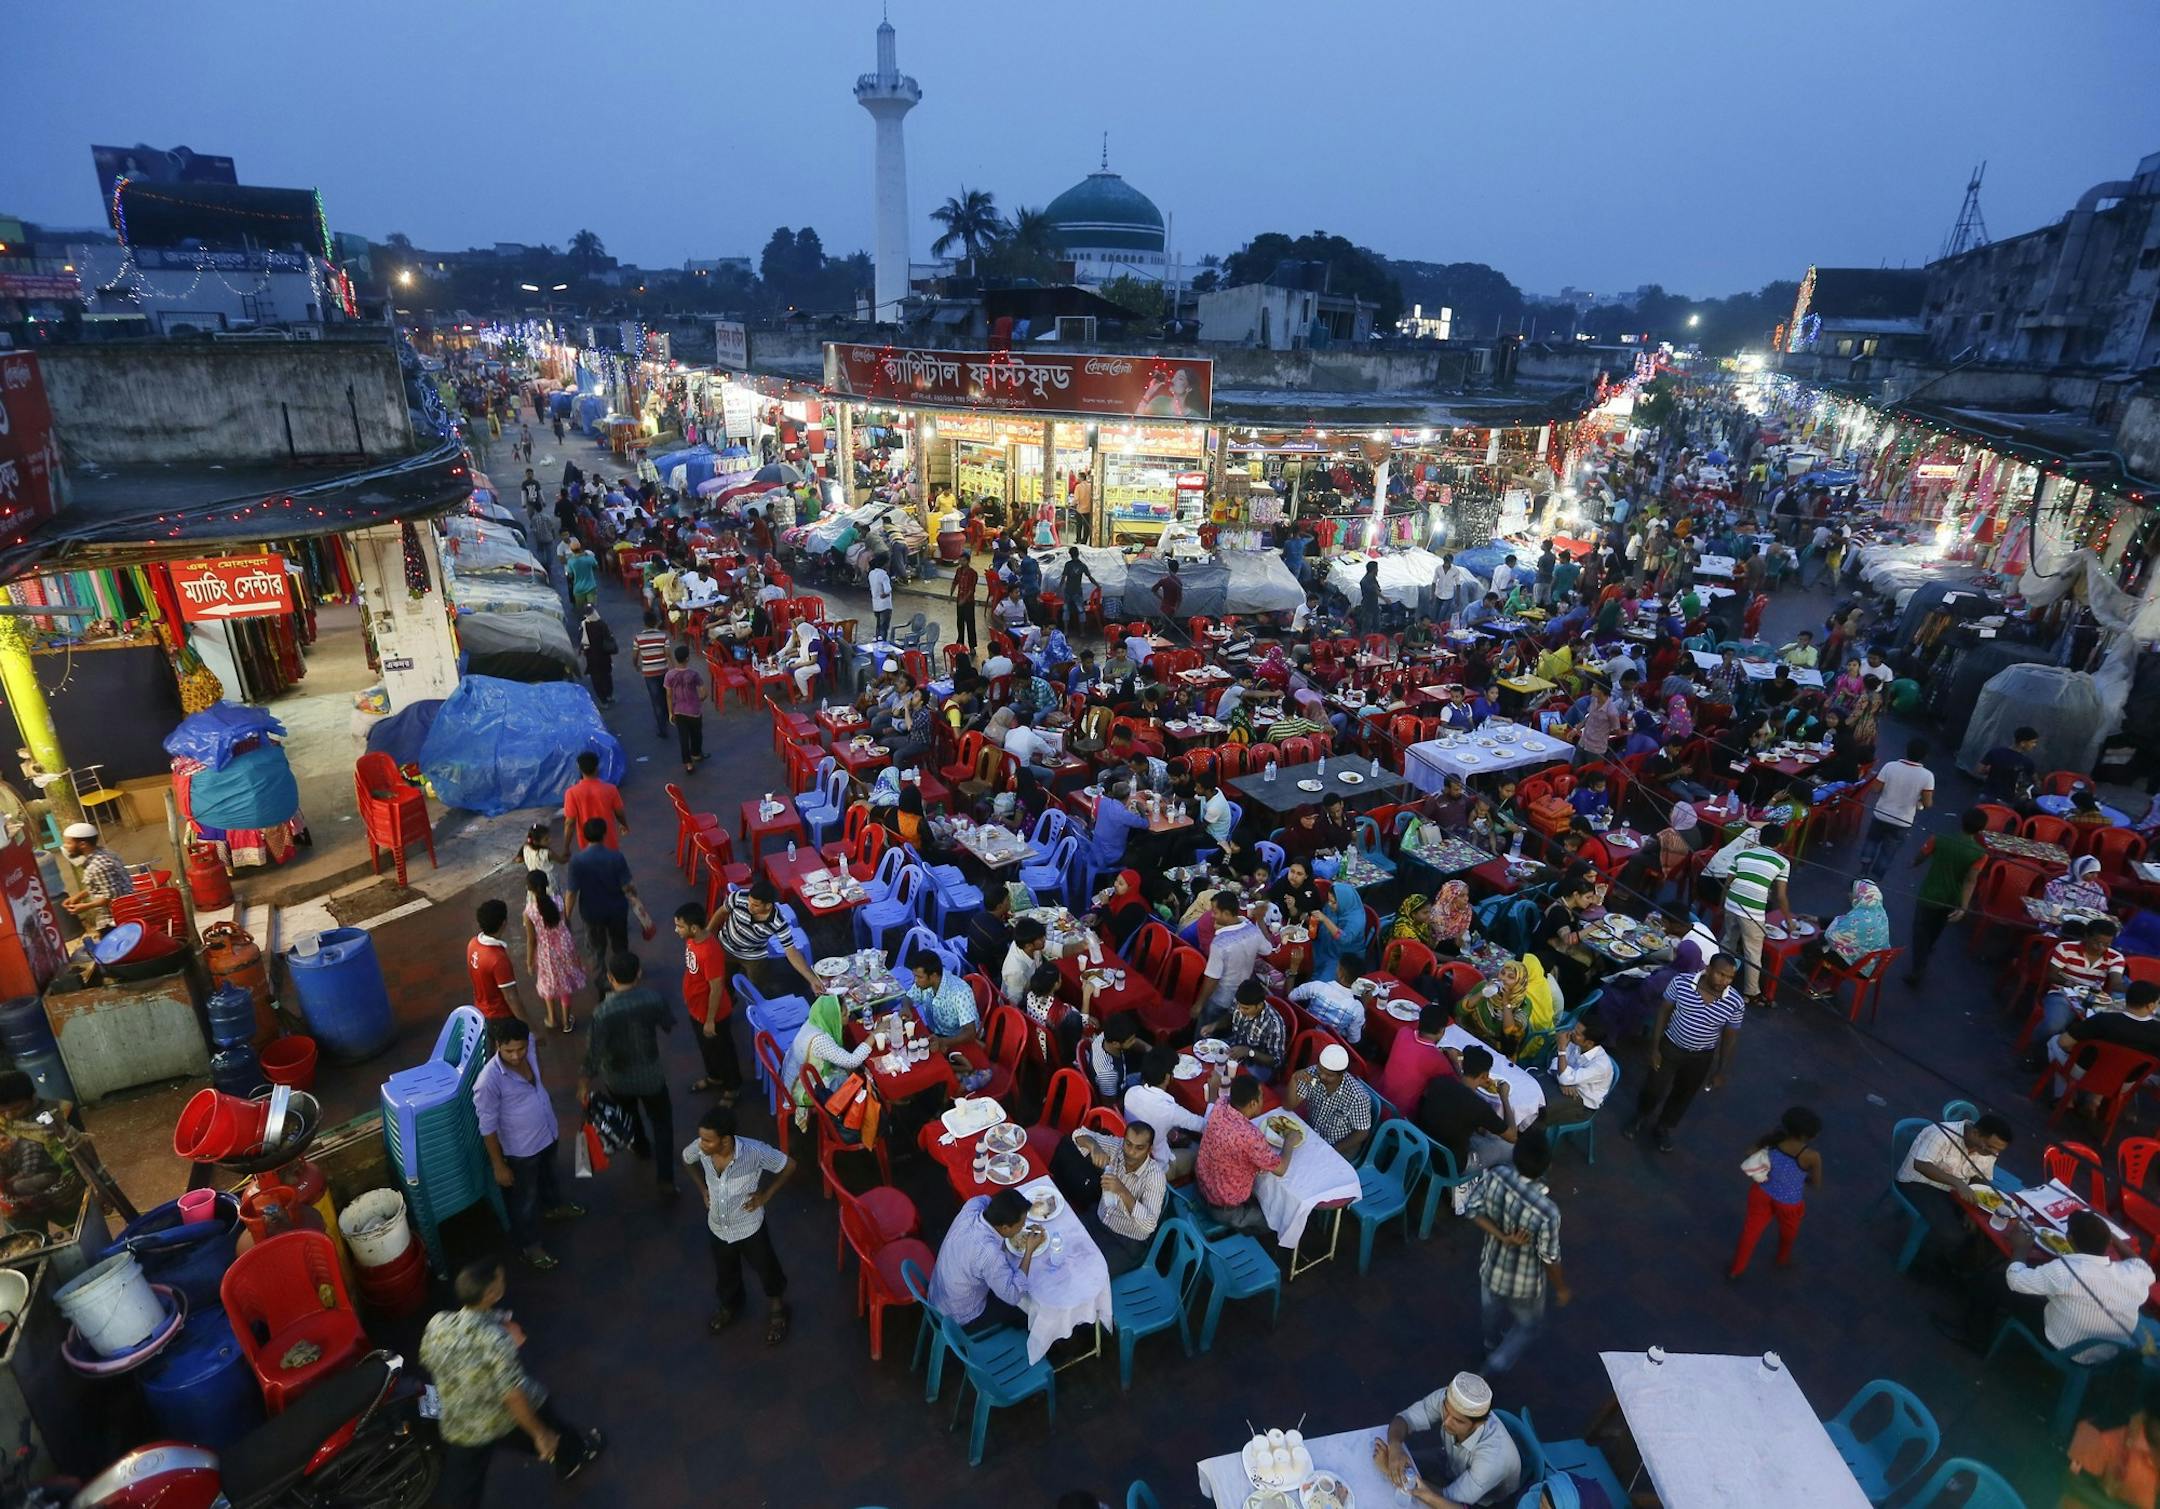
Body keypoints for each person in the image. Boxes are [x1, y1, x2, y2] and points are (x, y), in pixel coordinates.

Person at [422, 1258, 604, 1507]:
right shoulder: (496, 1340)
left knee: (462, 1490)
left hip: (460, 1422)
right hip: (502, 1418)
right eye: (500, 1281)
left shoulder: (438, 1323)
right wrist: (540, 1434)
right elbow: (512, 1395)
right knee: (546, 1423)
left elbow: (428, 1359)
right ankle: (575, 1454)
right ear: (492, 1293)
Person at [1943, 1209, 2153, 1355]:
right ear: (2108, 1244)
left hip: (2065, 1346)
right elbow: (2140, 1263)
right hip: (2109, 1351)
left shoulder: (2066, 1270)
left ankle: (1975, 1338)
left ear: (2069, 1239)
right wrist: (2114, 1239)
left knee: (1992, 1283)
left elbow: (2015, 1280)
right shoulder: (2132, 1272)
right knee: (2050, 1289)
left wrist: (2021, 1248)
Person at [475, 1018, 584, 1270]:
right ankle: (530, 1247)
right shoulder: (487, 1082)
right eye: (508, 1050)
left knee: (549, 1177)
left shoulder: (530, 1045)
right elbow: (487, 1128)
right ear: (497, 1046)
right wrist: (498, 1165)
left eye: (520, 1049)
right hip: (521, 1151)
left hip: (547, 1133)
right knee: (524, 1201)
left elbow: (535, 1051)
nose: (516, 1056)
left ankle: (554, 1208)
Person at [682, 1103, 795, 1343]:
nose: (701, 1144)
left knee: (766, 1268)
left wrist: (765, 1195)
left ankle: (777, 1309)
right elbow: (686, 1159)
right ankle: (730, 1306)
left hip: (749, 1227)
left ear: (725, 1140)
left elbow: (789, 1166)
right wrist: (702, 1188)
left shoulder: (755, 1153)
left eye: (707, 1140)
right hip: (718, 1227)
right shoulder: (701, 1150)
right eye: (701, 1138)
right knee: (725, 1272)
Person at [1459, 1130, 1568, 1375]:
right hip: (1525, 1285)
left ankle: (1490, 1344)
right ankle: (1496, 1363)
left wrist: (1503, 1237)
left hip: (1491, 1267)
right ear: (1546, 1166)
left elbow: (1472, 1211)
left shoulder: (1497, 1175)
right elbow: (1550, 1257)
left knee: (1490, 1312)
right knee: (1528, 1325)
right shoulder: (1547, 1211)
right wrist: (1561, 1288)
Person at [1625, 952, 1746, 1153]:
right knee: (1654, 1087)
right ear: (1708, 969)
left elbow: (1729, 1037)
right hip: (1671, 1046)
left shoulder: (1735, 1002)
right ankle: (1640, 1116)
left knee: (1684, 1094)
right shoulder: (1681, 983)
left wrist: (1721, 1070)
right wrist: (1654, 1048)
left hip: (1701, 1056)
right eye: (1720, 974)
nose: (1724, 981)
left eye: (1729, 977)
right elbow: (1663, 1012)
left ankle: (1663, 1127)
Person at [578, 953, 677, 1195]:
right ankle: (665, 1178)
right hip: (651, 1075)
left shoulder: (602, 1012)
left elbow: (593, 1052)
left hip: (618, 1078)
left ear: (610, 978)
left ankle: (641, 1146)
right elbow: (668, 1023)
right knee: (662, 1124)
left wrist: (583, 1082)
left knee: (630, 1115)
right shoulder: (653, 998)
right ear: (639, 973)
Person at [1374, 1371, 1523, 1509]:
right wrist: (1395, 1446)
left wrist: (1392, 1472)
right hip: (1449, 1463)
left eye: (1457, 1421)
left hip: (1480, 1502)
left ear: (1479, 1423)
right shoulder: (1450, 1399)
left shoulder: (1492, 1460)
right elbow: (1404, 1419)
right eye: (1446, 1411)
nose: (1446, 1422)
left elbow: (1449, 1500)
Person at [1895, 1111, 2014, 1277]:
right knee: (1952, 1234)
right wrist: (1957, 1183)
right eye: (1989, 1146)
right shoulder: (1941, 1134)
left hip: (1951, 1190)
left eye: (1997, 1150)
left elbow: (1981, 1178)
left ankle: (1957, 1265)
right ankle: (1919, 1266)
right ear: (1975, 1132)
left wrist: (1973, 1211)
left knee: (1983, 1227)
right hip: (1918, 1183)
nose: (1993, 1153)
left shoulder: (1990, 1151)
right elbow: (1921, 1165)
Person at [1194, 1071, 1300, 1232]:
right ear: (1252, 1104)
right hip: (1223, 1209)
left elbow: (1213, 1103)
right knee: (1279, 1222)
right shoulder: (1250, 1137)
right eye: (1261, 1097)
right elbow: (1281, 1169)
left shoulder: (1220, 1106)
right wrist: (1290, 1141)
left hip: (1203, 1186)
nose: (1262, 1101)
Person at [928, 1189, 1042, 1333]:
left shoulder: (972, 1206)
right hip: (959, 1316)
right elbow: (1013, 1295)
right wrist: (1029, 1251)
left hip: (937, 1294)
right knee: (1026, 1311)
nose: (1023, 1227)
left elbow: (987, 1198)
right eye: (1021, 1225)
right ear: (1005, 1227)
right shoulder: (990, 1254)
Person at [1728, 1105, 1822, 1279]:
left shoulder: (1774, 1141)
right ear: (1804, 1136)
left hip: (1762, 1192)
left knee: (1751, 1231)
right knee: (1788, 1233)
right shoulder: (1811, 1156)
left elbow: (1749, 1152)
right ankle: (1782, 1258)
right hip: (1788, 1202)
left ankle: (1737, 1269)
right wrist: (1800, 1179)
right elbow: (1816, 1183)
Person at [1066, 1120, 1166, 1275]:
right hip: (1099, 1219)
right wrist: (1093, 1146)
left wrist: (1122, 1191)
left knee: (1088, 1273)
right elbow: (1078, 1134)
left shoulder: (1155, 1176)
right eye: (1128, 1144)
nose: (1131, 1152)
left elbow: (1149, 1224)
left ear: (1149, 1149)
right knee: (1064, 1241)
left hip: (1126, 1242)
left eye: (1139, 1148)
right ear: (1123, 1140)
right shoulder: (1117, 1147)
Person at [1905, 808, 1989, 987]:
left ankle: (1918, 967)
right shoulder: (1980, 854)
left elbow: (1922, 855)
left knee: (1920, 931)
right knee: (1937, 927)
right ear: (1980, 829)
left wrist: (1913, 863)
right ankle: (1927, 951)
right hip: (1952, 898)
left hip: (1930, 893)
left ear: (1962, 821)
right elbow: (1970, 881)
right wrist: (1963, 906)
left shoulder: (1939, 838)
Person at [671, 902, 740, 1101]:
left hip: (713, 1013)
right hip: (697, 1009)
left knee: (724, 1051)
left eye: (680, 926)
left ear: (694, 928)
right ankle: (714, 1077)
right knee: (707, 1048)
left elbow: (717, 988)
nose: (677, 930)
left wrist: (710, 1020)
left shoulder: (709, 951)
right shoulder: (693, 940)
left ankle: (732, 1088)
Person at [1417, 1044, 1518, 1178]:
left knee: (1489, 1134)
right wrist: (1504, 1098)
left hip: (1422, 1146)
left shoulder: (1439, 1082)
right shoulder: (1479, 1107)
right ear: (1485, 1075)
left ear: (1463, 1064)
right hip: (1451, 1164)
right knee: (1511, 1149)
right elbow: (1512, 1136)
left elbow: (1461, 1092)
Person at [0, 1071, 84, 1232]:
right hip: (17, 1209)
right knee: (29, 1250)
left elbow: (82, 1153)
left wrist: (100, 1189)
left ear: (33, 1096)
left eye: (17, 1108)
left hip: (66, 1196)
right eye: (2, 1111)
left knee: (89, 1239)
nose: (9, 1115)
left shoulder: (62, 1110)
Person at [1718, 823, 1790, 1007]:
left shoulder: (1741, 854)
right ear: (1780, 844)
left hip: (1732, 902)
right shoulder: (1782, 862)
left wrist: (1722, 905)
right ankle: (1751, 992)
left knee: (1728, 941)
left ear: (1759, 838)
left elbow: (1727, 883)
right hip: (1752, 911)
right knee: (1753, 951)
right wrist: (1789, 920)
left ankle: (1717, 978)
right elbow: (1781, 896)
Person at [713, 878, 822, 997]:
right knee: (723, 982)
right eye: (749, 902)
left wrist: (812, 979)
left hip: (754, 958)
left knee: (757, 988)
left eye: (755, 905)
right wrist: (709, 931)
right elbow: (721, 912)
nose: (749, 907)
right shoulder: (738, 897)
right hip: (725, 948)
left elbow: (791, 951)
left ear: (768, 906)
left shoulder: (778, 922)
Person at [564, 818, 639, 968]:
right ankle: (623, 976)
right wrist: (634, 896)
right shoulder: (616, 857)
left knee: (597, 949)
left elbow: (571, 892)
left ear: (585, 836)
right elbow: (627, 885)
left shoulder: (577, 861)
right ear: (604, 834)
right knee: (620, 946)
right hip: (616, 910)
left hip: (591, 912)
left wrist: (567, 915)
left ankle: (602, 981)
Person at [1858, 738, 1936, 879]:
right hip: (1902, 821)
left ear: (1906, 751)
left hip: (1881, 814)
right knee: (1887, 853)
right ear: (1925, 756)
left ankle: (1862, 871)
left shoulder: (1890, 766)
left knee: (1872, 842)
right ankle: (1873, 880)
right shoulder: (1927, 776)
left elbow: (1875, 789)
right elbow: (1928, 803)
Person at [2040, 917, 2130, 1039]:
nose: (2100, 947)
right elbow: (2051, 975)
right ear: (2086, 936)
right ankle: (2034, 1049)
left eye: (2106, 944)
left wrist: (2132, 989)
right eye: (2096, 942)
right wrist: (2070, 983)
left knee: (2109, 1034)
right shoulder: (2066, 948)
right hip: (2063, 994)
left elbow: (2115, 983)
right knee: (2053, 1026)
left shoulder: (2116, 957)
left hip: (2094, 1001)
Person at [521, 869, 585, 1034]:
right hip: (564, 947)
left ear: (529, 889)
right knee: (564, 983)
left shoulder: (529, 911)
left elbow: (531, 940)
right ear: (547, 884)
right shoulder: (558, 900)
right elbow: (565, 922)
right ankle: (566, 1021)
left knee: (548, 982)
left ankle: (551, 1018)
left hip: (546, 953)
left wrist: (529, 962)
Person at [1285, 1043, 1374, 1160]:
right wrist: (1294, 1079)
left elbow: (1362, 1133)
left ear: (1341, 1074)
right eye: (1320, 1070)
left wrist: (1332, 1149)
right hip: (1312, 1134)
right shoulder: (1312, 1074)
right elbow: (1288, 1106)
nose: (1321, 1076)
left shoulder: (1358, 1097)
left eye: (1328, 1075)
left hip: (1340, 1147)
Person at [1197, 891, 1269, 1021]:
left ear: (1227, 914)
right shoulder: (1252, 930)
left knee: (1204, 1035)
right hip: (1240, 1001)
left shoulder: (1219, 944)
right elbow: (1268, 950)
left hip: (1220, 1000)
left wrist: (1199, 1004)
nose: (1212, 915)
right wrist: (1260, 921)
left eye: (1215, 912)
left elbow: (1212, 978)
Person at [1534, 1015, 1613, 1131]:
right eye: (1574, 1029)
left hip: (1582, 1105)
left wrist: (1561, 1048)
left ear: (1589, 1043)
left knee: (1538, 1115)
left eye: (1577, 1033)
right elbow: (1556, 1062)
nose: (1571, 1033)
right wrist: (1562, 1080)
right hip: (1563, 1089)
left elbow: (1563, 1071)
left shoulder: (1601, 1066)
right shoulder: (1576, 1044)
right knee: (1531, 1091)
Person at [1380, 1002, 1460, 1113]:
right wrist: (1455, 1061)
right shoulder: (1435, 1058)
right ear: (1442, 1030)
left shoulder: (1403, 1032)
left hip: (1379, 1095)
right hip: (1400, 1113)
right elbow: (1457, 1083)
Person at [1201, 979, 1287, 1081]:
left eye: (1246, 1009)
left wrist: (1249, 1052)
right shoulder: (1240, 1002)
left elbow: (1276, 1060)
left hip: (1257, 1064)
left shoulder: (1274, 1024)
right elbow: (1230, 1016)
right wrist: (1214, 1026)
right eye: (1239, 1006)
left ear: (1259, 1005)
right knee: (1206, 1055)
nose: (1240, 1010)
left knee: (1239, 1083)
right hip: (1234, 1046)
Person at [58, 822, 130, 937]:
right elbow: (103, 885)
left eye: (68, 843)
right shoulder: (104, 853)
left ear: (83, 844)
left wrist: (84, 907)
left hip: (115, 919)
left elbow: (112, 897)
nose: (65, 846)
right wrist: (79, 896)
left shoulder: (98, 866)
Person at [467, 898, 527, 1025]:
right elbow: (511, 998)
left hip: (481, 1010)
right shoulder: (498, 959)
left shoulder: (472, 944)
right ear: (503, 923)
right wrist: (529, 1027)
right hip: (500, 1016)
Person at [561, 751, 628, 850]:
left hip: (586, 843)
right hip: (609, 841)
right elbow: (619, 812)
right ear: (597, 767)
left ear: (579, 768)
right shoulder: (610, 789)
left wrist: (566, 847)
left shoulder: (571, 793)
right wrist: (624, 824)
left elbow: (569, 822)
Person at [663, 644, 706, 773]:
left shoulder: (669, 675)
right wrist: (699, 701)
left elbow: (669, 695)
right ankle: (696, 754)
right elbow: (704, 692)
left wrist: (670, 712)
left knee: (683, 737)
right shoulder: (693, 674)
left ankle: (688, 764)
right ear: (687, 658)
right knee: (696, 734)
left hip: (679, 710)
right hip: (693, 710)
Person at [631, 611, 673, 738]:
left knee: (656, 701)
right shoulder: (663, 636)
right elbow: (667, 654)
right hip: (663, 670)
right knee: (665, 695)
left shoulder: (638, 638)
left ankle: (662, 728)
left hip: (649, 673)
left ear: (644, 623)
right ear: (656, 622)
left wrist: (636, 666)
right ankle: (668, 716)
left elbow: (635, 656)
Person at [579, 607, 617, 708]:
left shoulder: (584, 625)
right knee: (607, 676)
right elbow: (609, 637)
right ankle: (609, 695)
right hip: (604, 656)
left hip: (591, 658)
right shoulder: (602, 624)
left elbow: (582, 640)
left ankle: (603, 700)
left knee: (596, 679)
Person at [950, 556, 980, 651]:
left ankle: (972, 646)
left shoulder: (973, 573)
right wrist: (951, 594)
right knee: (960, 623)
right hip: (959, 601)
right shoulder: (959, 571)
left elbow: (971, 589)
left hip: (969, 602)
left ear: (968, 561)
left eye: (963, 560)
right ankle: (960, 643)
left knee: (970, 623)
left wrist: (964, 600)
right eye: (960, 560)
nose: (961, 562)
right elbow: (955, 582)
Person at [563, 539, 599, 614]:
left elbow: (570, 574)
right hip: (591, 586)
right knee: (591, 607)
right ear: (580, 548)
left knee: (581, 609)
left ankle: (584, 620)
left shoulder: (571, 561)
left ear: (572, 550)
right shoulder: (589, 558)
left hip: (578, 588)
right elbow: (596, 566)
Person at [867, 560, 893, 642]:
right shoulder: (883, 575)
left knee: (878, 625)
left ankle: (877, 643)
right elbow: (888, 590)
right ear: (884, 564)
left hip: (875, 605)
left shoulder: (871, 574)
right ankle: (882, 645)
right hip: (885, 605)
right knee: (884, 628)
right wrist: (885, 594)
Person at [1154, 559, 1184, 624]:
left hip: (1164, 607)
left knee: (1163, 625)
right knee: (1168, 627)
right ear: (1177, 569)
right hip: (1172, 608)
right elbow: (1179, 598)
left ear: (1169, 569)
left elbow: (1154, 590)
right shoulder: (1178, 582)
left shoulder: (1164, 580)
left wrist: (1161, 597)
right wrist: (1176, 609)